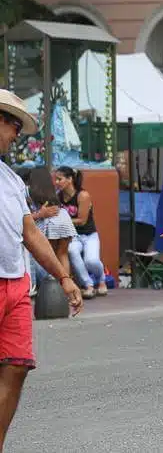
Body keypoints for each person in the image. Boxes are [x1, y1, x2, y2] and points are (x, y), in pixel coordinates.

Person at [0, 89, 83, 449]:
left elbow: (30, 232)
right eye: (14, 125)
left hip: (16, 283)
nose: (18, 134)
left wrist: (64, 277)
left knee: (17, 367)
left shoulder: (10, 179)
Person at [55, 166, 107, 299]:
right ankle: (88, 285)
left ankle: (101, 280)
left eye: (59, 179)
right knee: (71, 251)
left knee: (91, 261)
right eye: (55, 179)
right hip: (73, 236)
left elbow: (82, 220)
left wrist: (63, 220)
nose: (56, 182)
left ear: (70, 179)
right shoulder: (58, 196)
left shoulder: (83, 195)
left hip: (89, 235)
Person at [23, 168, 78, 294]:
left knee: (46, 258)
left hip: (48, 223)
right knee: (62, 254)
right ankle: (64, 289)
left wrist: (38, 214)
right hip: (63, 218)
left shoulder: (26, 192)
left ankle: (50, 291)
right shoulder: (54, 192)